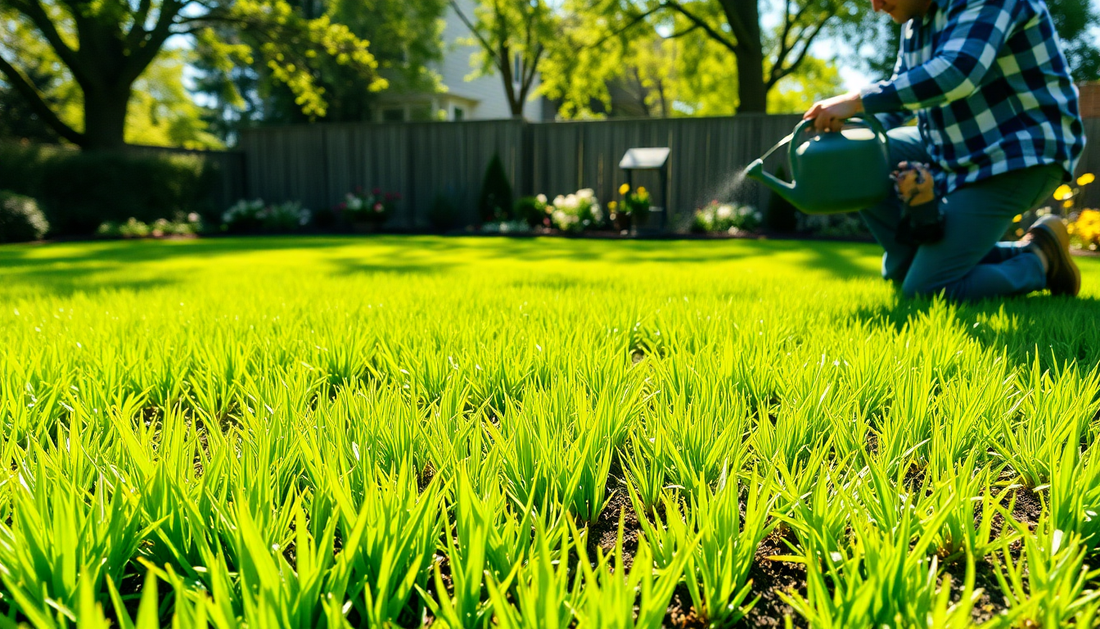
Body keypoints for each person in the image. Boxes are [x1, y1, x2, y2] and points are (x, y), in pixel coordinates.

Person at [803, 0, 1086, 300]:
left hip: (1018, 154)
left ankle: (1040, 259)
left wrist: (857, 100)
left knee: (927, 289)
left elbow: (956, 72)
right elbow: (901, 94)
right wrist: (849, 130)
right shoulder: (916, 21)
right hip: (954, 147)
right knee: (860, 159)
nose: (875, 6)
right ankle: (913, 261)